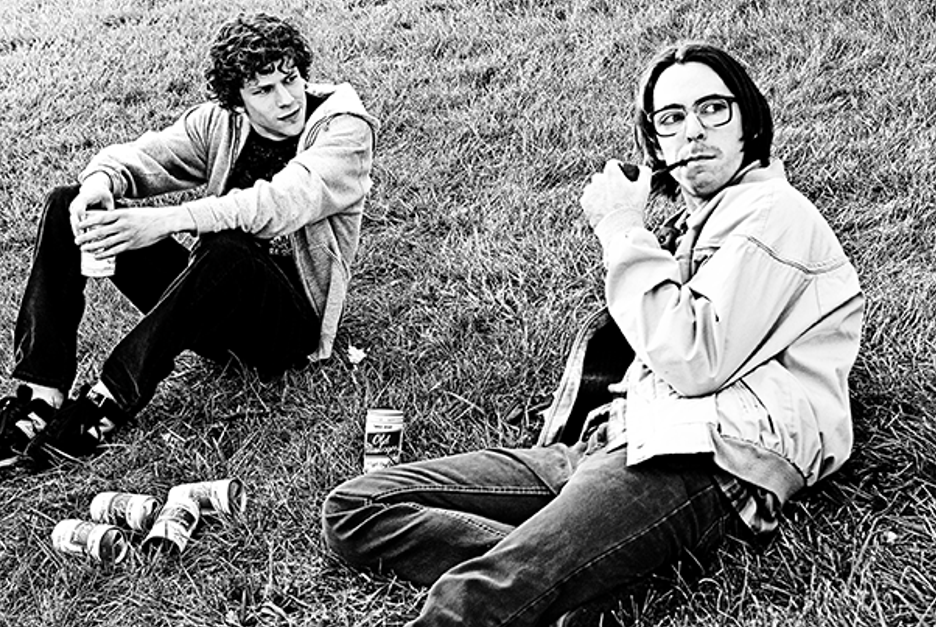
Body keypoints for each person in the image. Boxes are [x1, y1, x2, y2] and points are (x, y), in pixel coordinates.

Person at [320, 42, 863, 626]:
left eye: (713, 109)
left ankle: (545, 573)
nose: (693, 131)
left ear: (748, 123)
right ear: (655, 142)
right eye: (671, 118)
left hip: (703, 454)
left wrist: (623, 228)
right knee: (358, 507)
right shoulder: (698, 223)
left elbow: (694, 359)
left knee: (468, 601)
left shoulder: (773, 213)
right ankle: (569, 578)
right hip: (612, 442)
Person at [0, 12, 379, 472]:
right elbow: (142, 156)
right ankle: (40, 396)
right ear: (237, 103)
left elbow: (279, 203)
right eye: (263, 90)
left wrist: (164, 221)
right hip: (206, 307)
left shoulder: (344, 130)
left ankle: (109, 400)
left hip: (286, 330)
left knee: (227, 248)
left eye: (290, 79)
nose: (285, 99)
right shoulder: (220, 123)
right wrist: (100, 183)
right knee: (66, 203)